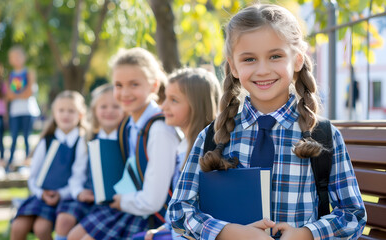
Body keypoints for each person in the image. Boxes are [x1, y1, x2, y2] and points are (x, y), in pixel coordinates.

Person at [167, 4, 366, 240]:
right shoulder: (213, 137)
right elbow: (180, 211)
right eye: (249, 59)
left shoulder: (323, 136)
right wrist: (227, 232)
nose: (263, 70)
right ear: (234, 67)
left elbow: (352, 215)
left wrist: (306, 234)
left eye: (275, 56)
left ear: (298, 60)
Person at [68, 47, 180, 240]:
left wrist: (121, 201)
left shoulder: (160, 129)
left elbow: (153, 200)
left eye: (134, 84)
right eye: (118, 85)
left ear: (153, 86)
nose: (124, 92)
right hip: (128, 202)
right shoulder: (129, 125)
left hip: (154, 216)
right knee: (73, 236)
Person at [141, 67, 221, 240]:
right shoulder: (182, 145)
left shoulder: (208, 151)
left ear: (196, 106)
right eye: (166, 98)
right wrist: (164, 227)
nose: (163, 106)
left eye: (174, 100)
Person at [10, 91, 88, 240]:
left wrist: (60, 194)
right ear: (54, 113)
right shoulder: (46, 141)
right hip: (41, 195)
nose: (65, 114)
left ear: (80, 115)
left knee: (42, 228)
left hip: (65, 197)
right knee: (18, 226)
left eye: (71, 111)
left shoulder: (81, 142)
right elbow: (33, 175)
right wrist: (41, 193)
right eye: (61, 110)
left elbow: (78, 176)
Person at [54, 84, 125, 240]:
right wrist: (79, 192)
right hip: (87, 196)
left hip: (113, 202)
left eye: (115, 106)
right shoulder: (88, 138)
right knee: (64, 220)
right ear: (94, 111)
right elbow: (77, 173)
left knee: (76, 236)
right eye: (103, 106)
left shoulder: (126, 138)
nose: (109, 111)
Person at [7, 46, 40, 171]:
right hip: (15, 111)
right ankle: (10, 163)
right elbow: (9, 95)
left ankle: (27, 163)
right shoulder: (10, 75)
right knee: (14, 137)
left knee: (27, 137)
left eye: (18, 56)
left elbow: (29, 92)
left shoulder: (29, 72)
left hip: (28, 110)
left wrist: (17, 95)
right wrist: (20, 95)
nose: (16, 59)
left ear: (24, 57)